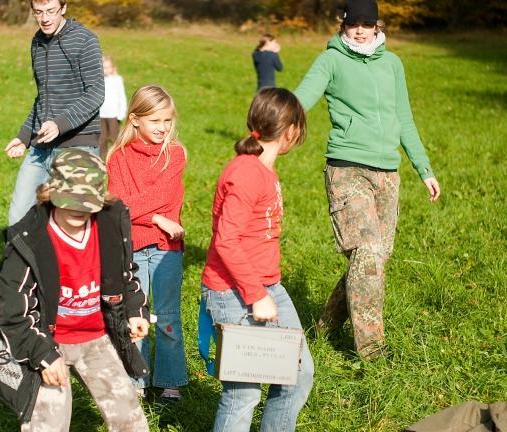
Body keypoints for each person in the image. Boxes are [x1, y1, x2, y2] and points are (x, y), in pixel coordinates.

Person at [292, 0, 441, 360]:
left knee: (371, 259)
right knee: (368, 253)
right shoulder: (331, 60)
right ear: (343, 24)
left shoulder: (392, 64)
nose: (359, 29)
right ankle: (373, 352)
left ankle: (325, 326)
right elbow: (301, 98)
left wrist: (424, 168)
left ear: (377, 25)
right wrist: (271, 124)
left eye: (366, 23)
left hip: (387, 174)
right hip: (347, 168)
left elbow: (403, 117)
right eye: (353, 23)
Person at [0, 149, 150, 431]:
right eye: (70, 199)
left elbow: (125, 272)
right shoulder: (29, 239)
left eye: (88, 202)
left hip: (95, 336)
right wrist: (45, 355)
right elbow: (13, 311)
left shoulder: (109, 224)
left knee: (130, 421)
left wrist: (135, 310)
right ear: (50, 193)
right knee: (49, 424)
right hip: (49, 339)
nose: (79, 208)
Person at [200, 87, 314, 432]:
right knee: (243, 392)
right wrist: (256, 294)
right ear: (291, 130)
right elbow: (226, 240)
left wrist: (265, 290)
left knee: (298, 372)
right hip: (233, 291)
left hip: (268, 286)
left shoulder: (263, 170)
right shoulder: (247, 173)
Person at [106, 84, 188, 402]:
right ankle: (135, 380)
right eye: (155, 120)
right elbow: (116, 207)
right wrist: (157, 219)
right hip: (132, 247)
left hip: (167, 248)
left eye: (167, 120)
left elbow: (162, 196)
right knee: (134, 315)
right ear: (135, 119)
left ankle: (170, 380)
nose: (163, 127)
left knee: (167, 314)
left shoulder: (175, 155)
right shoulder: (119, 158)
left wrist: (143, 211)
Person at [4, 0, 105, 226]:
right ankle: (24, 262)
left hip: (77, 145)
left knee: (73, 224)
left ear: (64, 7)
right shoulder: (37, 42)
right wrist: (24, 137)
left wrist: (61, 124)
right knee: (18, 220)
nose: (45, 18)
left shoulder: (85, 39)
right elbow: (44, 97)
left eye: (51, 11)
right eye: (38, 12)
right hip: (41, 147)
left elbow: (96, 93)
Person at [99, 56, 128, 160]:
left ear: (112, 68)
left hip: (113, 115)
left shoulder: (117, 80)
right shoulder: (98, 80)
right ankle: (102, 159)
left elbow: (122, 97)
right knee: (101, 138)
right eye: (103, 67)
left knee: (114, 137)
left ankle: (117, 158)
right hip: (101, 114)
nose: (105, 70)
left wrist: (121, 113)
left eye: (107, 67)